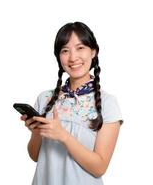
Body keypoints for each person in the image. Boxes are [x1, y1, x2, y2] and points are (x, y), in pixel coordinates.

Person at [20, 21, 123, 185]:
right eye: (65, 50)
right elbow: (35, 156)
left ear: (93, 52)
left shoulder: (108, 103)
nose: (73, 57)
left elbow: (99, 167)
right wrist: (36, 132)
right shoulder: (45, 98)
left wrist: (64, 136)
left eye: (80, 48)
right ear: (58, 57)